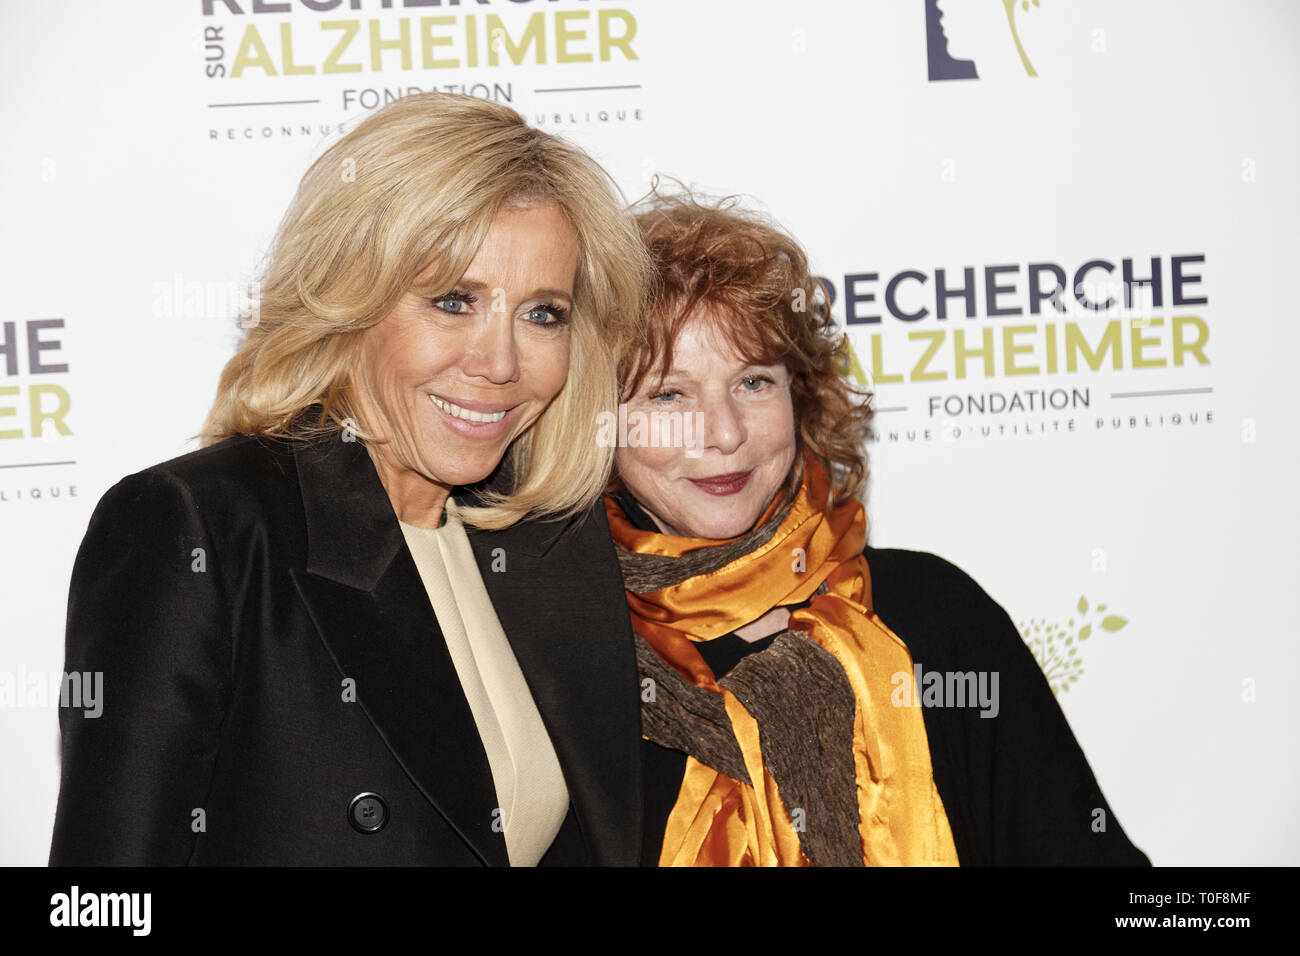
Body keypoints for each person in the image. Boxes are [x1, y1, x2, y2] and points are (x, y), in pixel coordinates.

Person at [48, 92, 650, 866]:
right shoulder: (201, 529)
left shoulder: (543, 543)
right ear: (349, 299)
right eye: (453, 301)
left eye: (543, 314)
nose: (500, 363)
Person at [604, 193, 1150, 867]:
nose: (723, 432)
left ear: (799, 395)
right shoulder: (564, 661)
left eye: (753, 382)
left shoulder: (936, 616)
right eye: (668, 394)